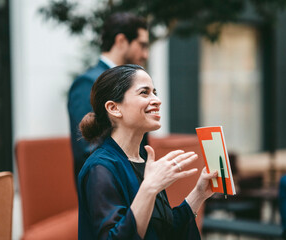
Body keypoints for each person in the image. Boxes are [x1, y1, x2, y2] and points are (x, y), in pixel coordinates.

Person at [77, 64, 218, 240]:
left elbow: (162, 231)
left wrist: (199, 193)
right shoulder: (99, 168)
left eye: (155, 92)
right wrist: (149, 188)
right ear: (114, 108)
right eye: (144, 92)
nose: (157, 100)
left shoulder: (144, 162)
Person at [68, 12, 149, 183]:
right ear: (121, 41)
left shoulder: (135, 82)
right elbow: (88, 146)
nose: (145, 54)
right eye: (141, 45)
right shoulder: (87, 83)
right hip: (108, 187)